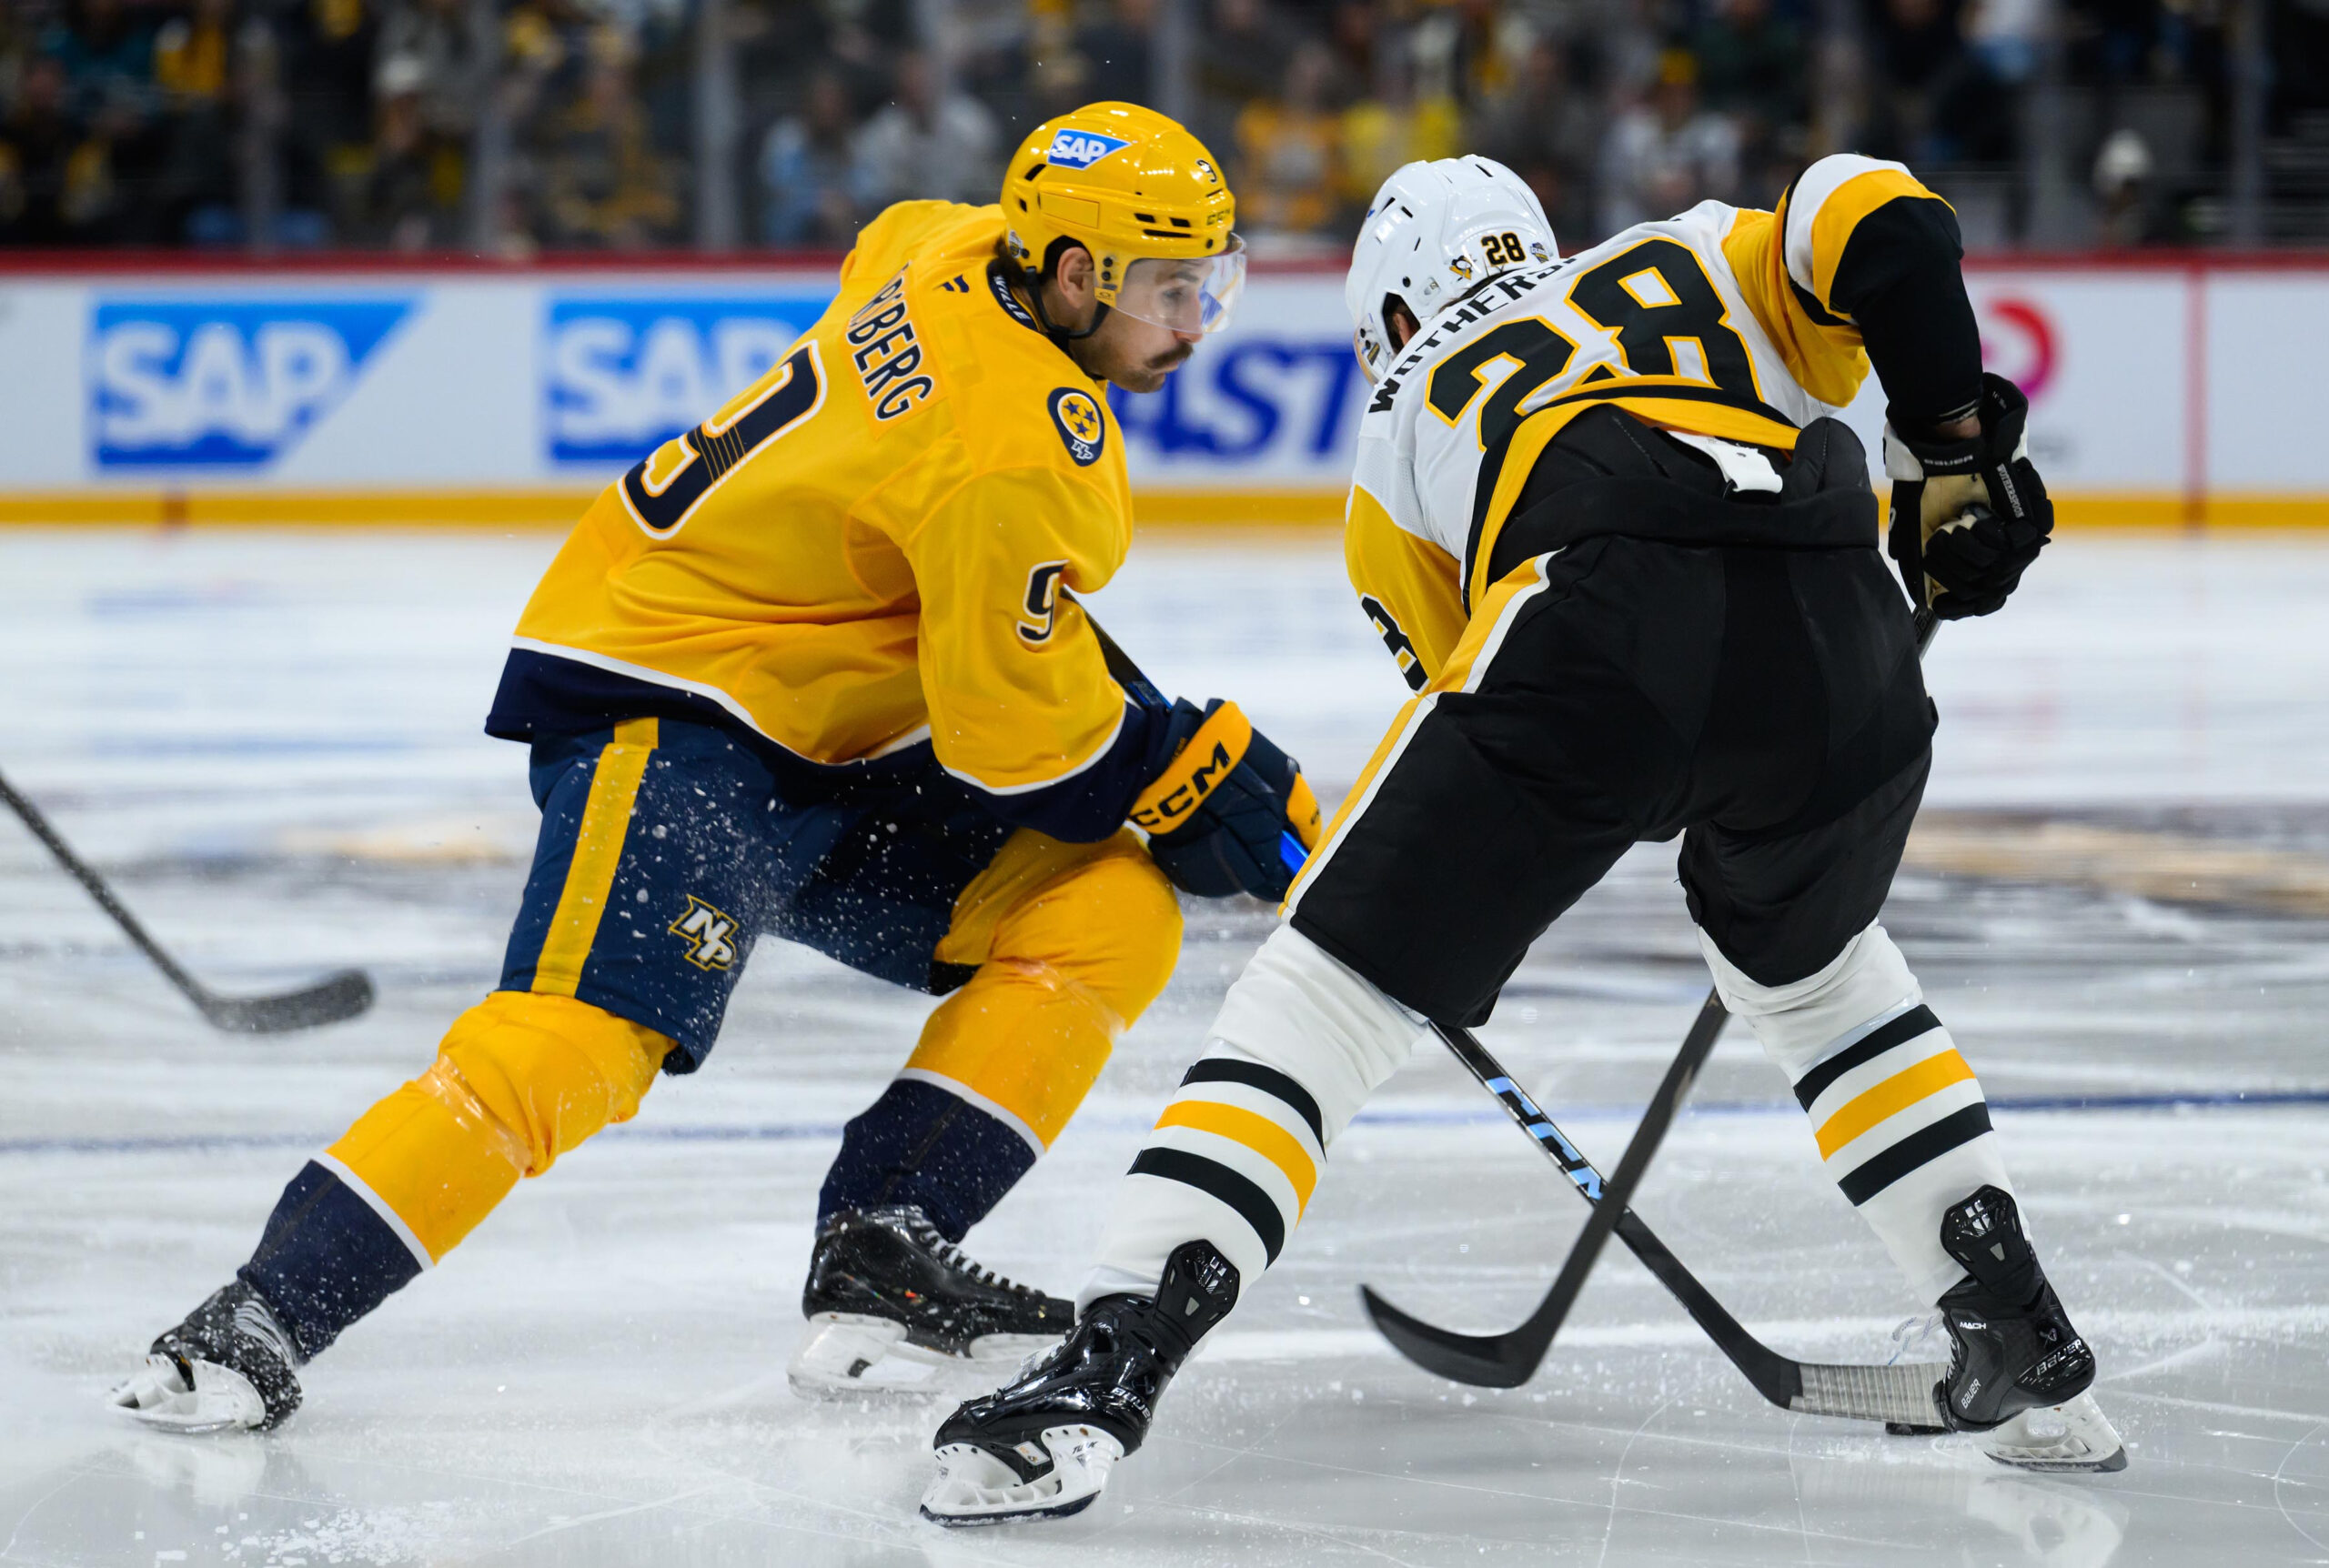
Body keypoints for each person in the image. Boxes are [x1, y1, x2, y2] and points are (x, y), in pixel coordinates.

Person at [923, 151, 2114, 1525]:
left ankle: (1103, 1372)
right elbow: (1889, 219)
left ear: (1391, 312)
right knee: (1821, 974)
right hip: (1845, 645)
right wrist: (1953, 452)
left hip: (1594, 623)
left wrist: (1390, 915)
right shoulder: (1698, 254)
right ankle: (2020, 1329)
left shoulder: (1395, 424)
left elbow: (1480, 691)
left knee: (1331, 994)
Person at [108, 102, 1319, 1432]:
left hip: (825, 723)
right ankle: (254, 1320)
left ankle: (884, 1252)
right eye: (1172, 290)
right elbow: (1014, 735)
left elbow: (883, 245)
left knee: (1101, 910)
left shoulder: (959, 245)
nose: (1197, 323)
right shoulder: (1021, 450)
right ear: (1077, 274)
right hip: (679, 696)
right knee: (582, 1041)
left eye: (1213, 284)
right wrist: (1176, 762)